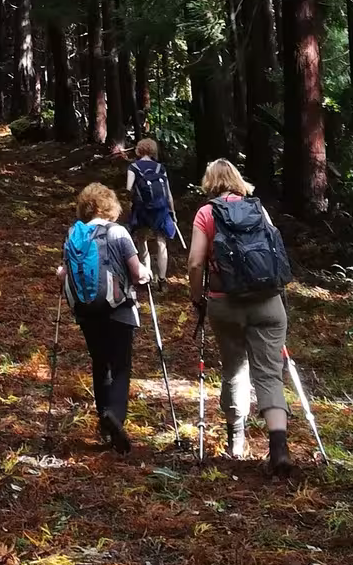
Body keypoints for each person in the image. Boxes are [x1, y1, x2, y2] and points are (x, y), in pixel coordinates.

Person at [187, 157, 294, 475]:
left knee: (234, 369)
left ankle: (236, 440)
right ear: (237, 179)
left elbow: (195, 262)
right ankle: (279, 447)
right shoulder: (258, 209)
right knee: (269, 374)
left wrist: (197, 296)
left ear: (210, 183)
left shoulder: (207, 213)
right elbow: (276, 249)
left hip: (225, 302)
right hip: (268, 301)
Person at [62, 182, 149, 453]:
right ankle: (115, 415)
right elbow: (137, 273)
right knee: (121, 364)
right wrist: (146, 274)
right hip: (119, 310)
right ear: (110, 206)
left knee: (100, 363)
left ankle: (104, 421)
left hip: (87, 311)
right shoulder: (118, 232)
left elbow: (64, 273)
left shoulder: (74, 235)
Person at [126, 137, 180, 283]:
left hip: (142, 209)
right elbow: (168, 194)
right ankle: (162, 279)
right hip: (160, 209)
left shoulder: (133, 167)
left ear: (139, 149)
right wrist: (172, 213)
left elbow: (128, 189)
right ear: (153, 150)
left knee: (142, 239)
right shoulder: (160, 168)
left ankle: (147, 274)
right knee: (161, 242)